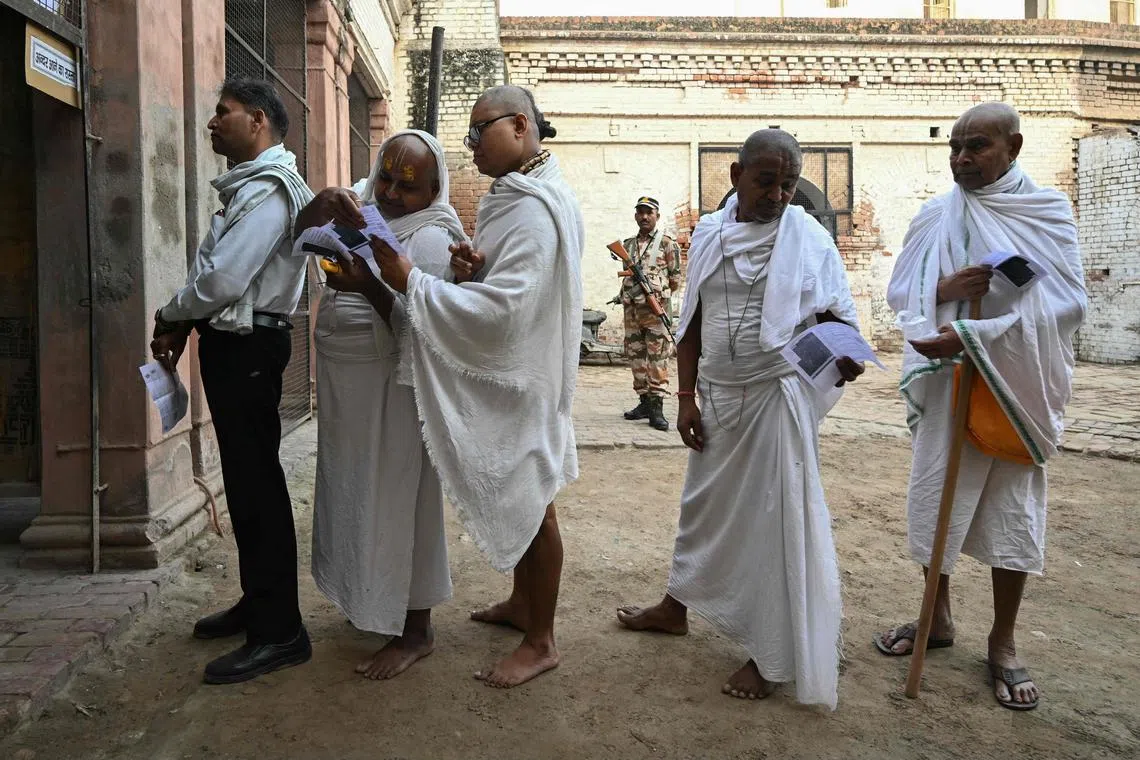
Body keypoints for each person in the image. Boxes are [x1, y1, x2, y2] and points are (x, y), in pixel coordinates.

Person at [614, 129, 865, 709]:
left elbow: (838, 319)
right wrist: (684, 398)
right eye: (765, 181)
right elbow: (692, 320)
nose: (778, 194)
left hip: (777, 395)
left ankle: (771, 653)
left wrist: (845, 353)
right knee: (700, 507)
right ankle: (676, 607)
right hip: (718, 396)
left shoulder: (808, 238)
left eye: (788, 183)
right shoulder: (708, 233)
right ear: (735, 175)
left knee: (774, 522)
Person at [368, 85, 584, 689]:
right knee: (524, 493)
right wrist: (473, 271)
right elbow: (509, 280)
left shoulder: (537, 206)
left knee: (534, 501)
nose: (470, 147)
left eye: (477, 132)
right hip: (521, 367)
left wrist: (413, 280)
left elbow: (510, 311)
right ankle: (522, 604)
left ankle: (541, 641)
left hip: (526, 374)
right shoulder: (517, 193)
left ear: (519, 125)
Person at [875, 103, 1086, 712]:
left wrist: (980, 335)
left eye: (978, 147)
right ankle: (935, 618)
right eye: (956, 148)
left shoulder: (1047, 212)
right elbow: (901, 290)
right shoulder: (936, 215)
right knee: (936, 495)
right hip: (950, 383)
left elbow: (1069, 305)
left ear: (1013, 147)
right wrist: (944, 293)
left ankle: (1004, 640)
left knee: (1010, 512)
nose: (962, 159)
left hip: (1017, 385)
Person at [150, 78, 314, 684]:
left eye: (224, 113)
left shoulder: (271, 190)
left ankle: (282, 633)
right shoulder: (250, 187)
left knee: (257, 486)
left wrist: (171, 313)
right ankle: (260, 605)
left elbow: (223, 280)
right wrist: (185, 325)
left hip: (248, 347)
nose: (213, 122)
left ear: (260, 121)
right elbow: (221, 283)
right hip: (235, 342)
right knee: (246, 484)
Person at [295, 131, 468, 680]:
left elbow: (430, 328)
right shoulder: (359, 209)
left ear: (434, 189)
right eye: (385, 178)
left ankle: (416, 629)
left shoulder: (435, 239)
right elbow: (294, 242)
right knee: (354, 492)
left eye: (407, 186)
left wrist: (368, 286)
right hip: (349, 385)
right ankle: (371, 599)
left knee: (401, 498)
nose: (390, 193)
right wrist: (314, 213)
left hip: (398, 388)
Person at [618, 196, 682, 432]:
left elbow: (675, 279)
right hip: (632, 310)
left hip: (655, 311)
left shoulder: (667, 244)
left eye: (649, 213)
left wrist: (656, 294)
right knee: (636, 356)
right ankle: (644, 402)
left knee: (657, 358)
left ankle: (657, 408)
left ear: (657, 216)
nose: (644, 217)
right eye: (640, 212)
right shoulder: (628, 245)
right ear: (636, 215)